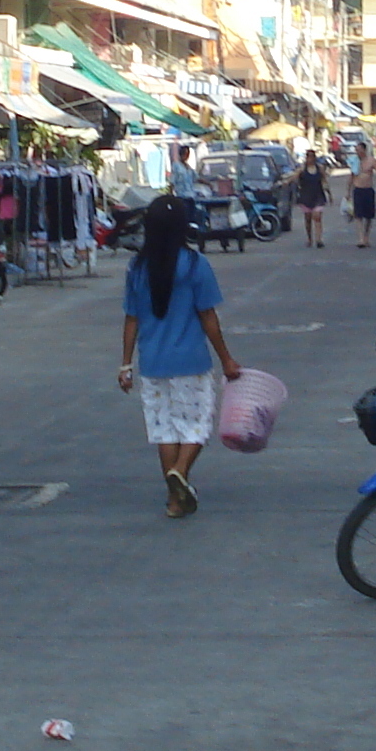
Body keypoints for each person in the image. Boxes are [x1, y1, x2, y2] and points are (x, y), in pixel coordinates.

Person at [118, 193, 244, 518]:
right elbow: (208, 318)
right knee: (196, 425)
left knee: (165, 430)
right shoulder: (194, 265)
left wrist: (125, 364)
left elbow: (131, 319)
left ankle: (176, 500)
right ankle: (181, 472)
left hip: (152, 363)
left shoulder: (137, 267)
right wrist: (227, 359)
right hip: (191, 362)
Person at [293, 146, 329, 249]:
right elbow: (294, 177)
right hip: (306, 196)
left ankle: (319, 240)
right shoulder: (302, 169)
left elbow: (324, 180)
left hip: (318, 195)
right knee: (308, 218)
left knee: (317, 217)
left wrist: (329, 193)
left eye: (312, 157)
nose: (310, 159)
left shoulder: (319, 168)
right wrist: (285, 182)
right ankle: (309, 238)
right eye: (308, 157)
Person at [348, 149, 376, 248]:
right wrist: (347, 191)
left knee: (369, 216)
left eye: (359, 150)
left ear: (364, 150)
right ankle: (361, 239)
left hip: (368, 190)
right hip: (358, 189)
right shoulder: (355, 161)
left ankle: (366, 236)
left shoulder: (371, 161)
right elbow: (351, 176)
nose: (358, 152)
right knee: (358, 215)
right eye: (357, 151)